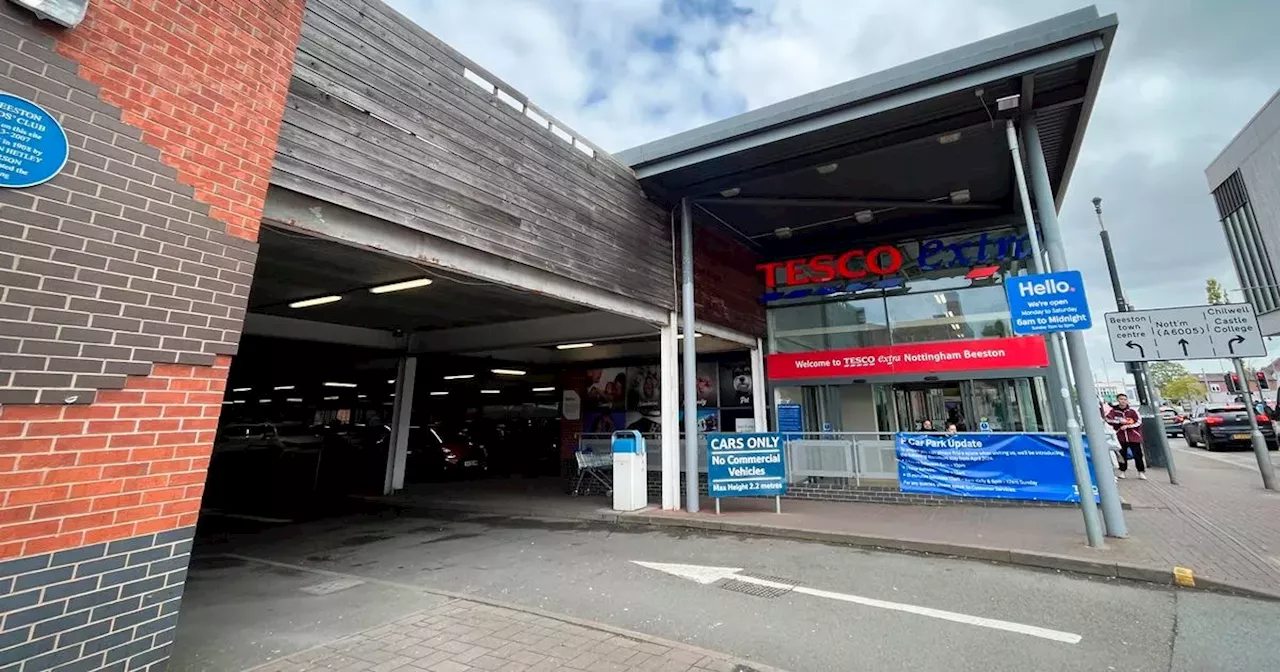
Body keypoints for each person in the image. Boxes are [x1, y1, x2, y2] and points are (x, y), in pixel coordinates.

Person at [1104, 393, 1146, 479]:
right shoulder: (1114, 411)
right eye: (1121, 399)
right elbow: (1107, 419)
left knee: (1138, 455)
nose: (1123, 401)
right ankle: (1122, 471)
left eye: (1124, 399)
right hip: (1121, 436)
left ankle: (1141, 472)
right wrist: (1119, 422)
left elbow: (1138, 422)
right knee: (1122, 455)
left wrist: (1128, 426)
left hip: (1133, 436)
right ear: (1118, 400)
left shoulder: (1132, 411)